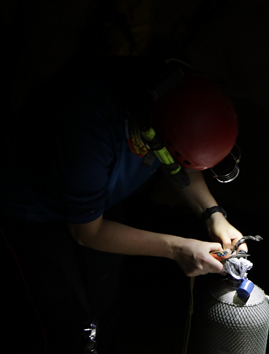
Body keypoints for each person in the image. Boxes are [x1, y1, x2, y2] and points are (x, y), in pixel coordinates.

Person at [0, 56, 245, 353]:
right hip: (36, 213)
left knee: (103, 302)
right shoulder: (88, 129)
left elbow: (180, 163)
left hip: (101, 199)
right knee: (65, 321)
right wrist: (178, 249)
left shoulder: (171, 94)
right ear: (150, 139)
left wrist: (213, 215)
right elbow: (88, 233)